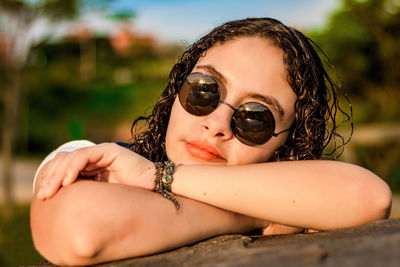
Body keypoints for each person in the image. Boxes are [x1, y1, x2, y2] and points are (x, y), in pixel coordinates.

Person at [30, 17, 392, 266]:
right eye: (204, 90)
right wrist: (256, 212)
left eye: (255, 117)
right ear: (175, 91)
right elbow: (81, 229)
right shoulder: (91, 159)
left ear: (285, 144)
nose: (216, 123)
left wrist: (158, 178)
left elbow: (370, 197)